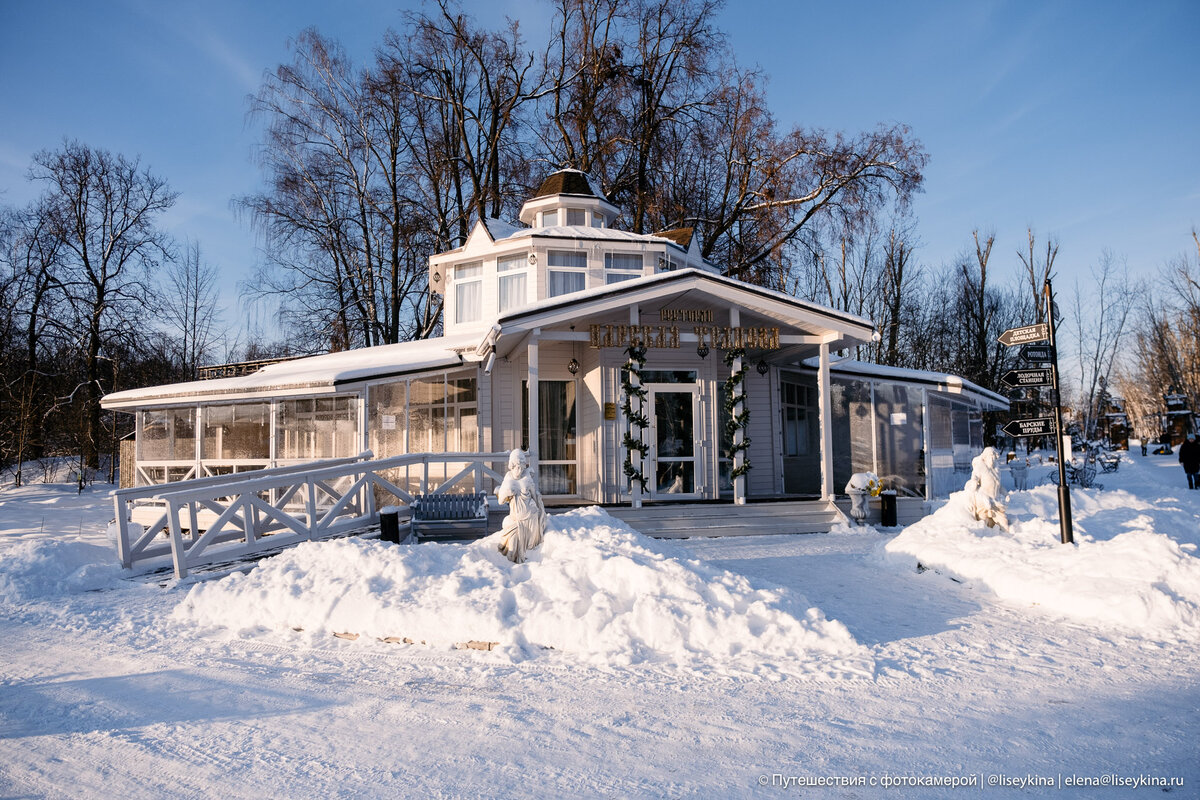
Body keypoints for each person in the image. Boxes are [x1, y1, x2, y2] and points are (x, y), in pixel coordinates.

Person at [496, 448, 547, 563]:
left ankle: (531, 565)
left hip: (531, 519)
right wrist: (507, 493)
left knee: (531, 550)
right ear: (512, 466)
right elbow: (500, 501)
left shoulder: (527, 478)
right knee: (512, 551)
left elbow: (535, 496)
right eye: (517, 467)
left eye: (522, 467)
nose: (519, 471)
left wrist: (540, 512)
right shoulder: (508, 479)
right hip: (517, 521)